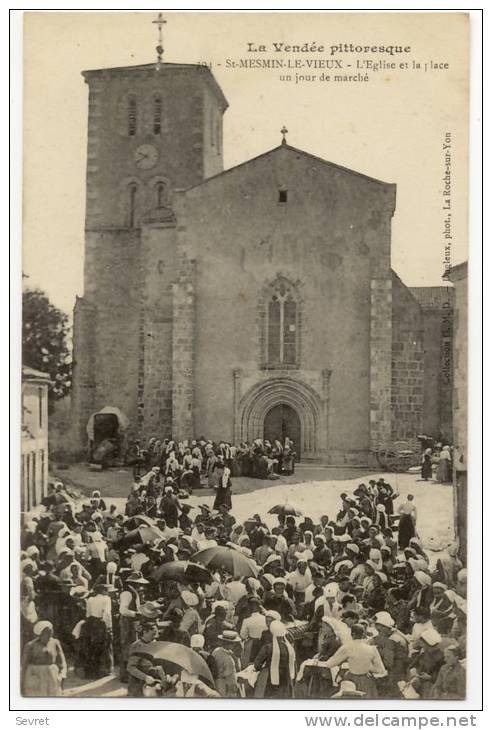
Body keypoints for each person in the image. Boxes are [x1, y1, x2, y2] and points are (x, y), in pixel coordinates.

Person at [21, 621, 67, 697]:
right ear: (40, 633)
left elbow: (62, 660)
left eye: (51, 631)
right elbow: (24, 665)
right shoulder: (30, 645)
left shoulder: (55, 642)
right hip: (35, 676)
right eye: (47, 632)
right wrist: (21, 683)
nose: (50, 634)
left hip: (52, 676)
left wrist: (62, 674)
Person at [254, 621, 296, 698]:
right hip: (286, 679)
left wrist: (261, 669)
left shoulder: (268, 647)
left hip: (271, 680)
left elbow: (257, 664)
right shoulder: (290, 648)